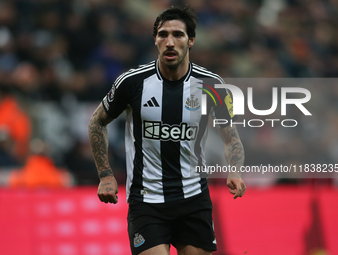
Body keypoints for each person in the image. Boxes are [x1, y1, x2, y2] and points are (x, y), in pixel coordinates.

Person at [89, 6, 246, 255]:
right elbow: (97, 122)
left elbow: (231, 137)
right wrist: (106, 175)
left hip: (194, 198)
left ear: (191, 40)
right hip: (147, 201)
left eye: (178, 35)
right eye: (163, 35)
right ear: (155, 40)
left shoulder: (212, 85)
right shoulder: (132, 82)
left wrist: (235, 170)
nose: (169, 42)